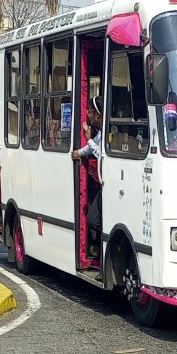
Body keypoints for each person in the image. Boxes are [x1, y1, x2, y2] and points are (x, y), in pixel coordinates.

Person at [71, 95, 103, 258]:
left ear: (97, 115)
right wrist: (79, 153)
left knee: (93, 220)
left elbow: (101, 154)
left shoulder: (109, 130)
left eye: (90, 111)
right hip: (104, 183)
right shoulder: (100, 133)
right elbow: (92, 148)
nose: (87, 114)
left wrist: (88, 138)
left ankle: (100, 251)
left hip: (109, 184)